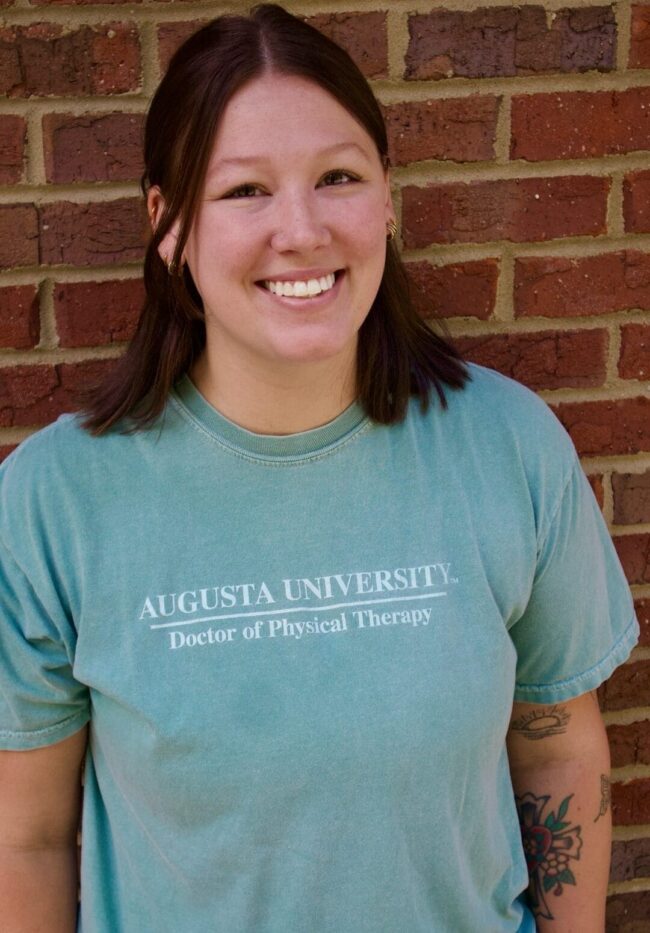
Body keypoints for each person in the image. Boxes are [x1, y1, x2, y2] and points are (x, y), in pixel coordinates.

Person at [0, 5, 638, 932]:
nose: (299, 231)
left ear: (386, 198)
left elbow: (555, 747)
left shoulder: (507, 447)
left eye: (337, 176)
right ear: (167, 223)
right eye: (244, 190)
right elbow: (29, 834)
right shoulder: (55, 502)